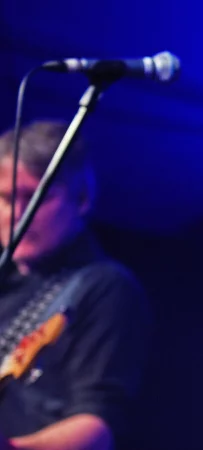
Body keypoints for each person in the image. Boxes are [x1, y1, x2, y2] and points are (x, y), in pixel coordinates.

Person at [0, 120, 152, 450]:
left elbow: (100, 425)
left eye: (37, 198)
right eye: (6, 198)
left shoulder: (105, 287)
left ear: (81, 199)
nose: (18, 214)